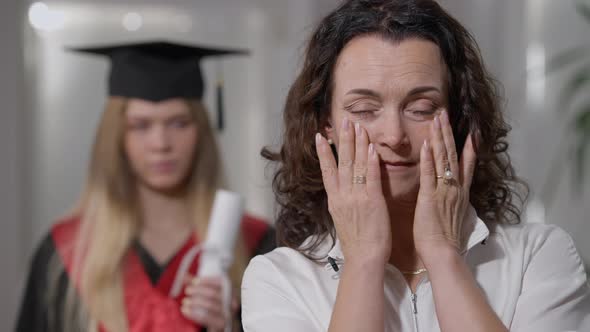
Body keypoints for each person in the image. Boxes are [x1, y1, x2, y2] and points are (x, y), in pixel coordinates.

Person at [241, 1, 590, 331]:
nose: (394, 136)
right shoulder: (279, 279)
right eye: (364, 109)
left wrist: (443, 255)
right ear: (325, 125)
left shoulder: (537, 257)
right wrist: (362, 260)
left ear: (457, 119)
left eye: (421, 108)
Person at [16, 41, 275, 332]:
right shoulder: (65, 252)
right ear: (116, 137)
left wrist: (228, 327)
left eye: (179, 123)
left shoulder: (256, 244)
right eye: (140, 125)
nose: (160, 144)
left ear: (201, 132)